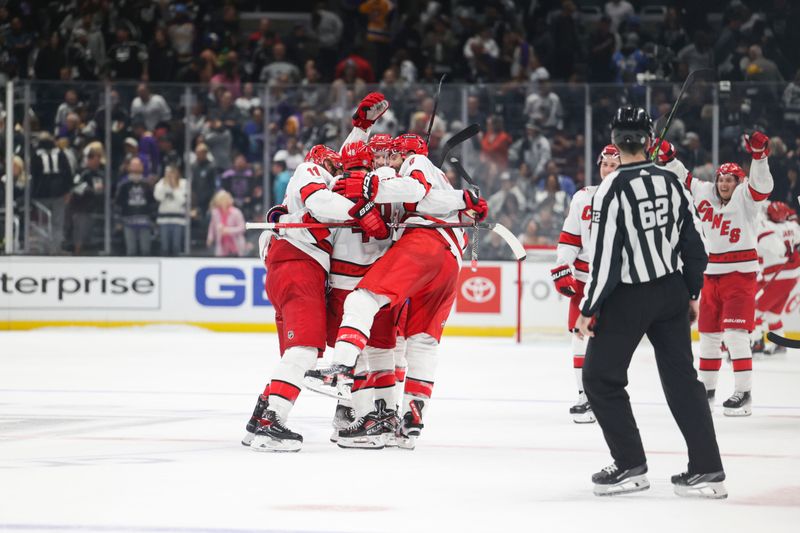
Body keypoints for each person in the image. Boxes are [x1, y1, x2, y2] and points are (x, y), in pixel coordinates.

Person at [575, 106, 725, 499]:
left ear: (615, 137)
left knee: (599, 378)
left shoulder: (611, 189)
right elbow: (696, 246)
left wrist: (588, 308)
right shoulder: (672, 182)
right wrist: (690, 292)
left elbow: (605, 258)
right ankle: (708, 469)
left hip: (629, 297)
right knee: (683, 383)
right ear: (649, 138)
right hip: (671, 290)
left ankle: (630, 464)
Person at [306, 132, 488, 450]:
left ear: (404, 154)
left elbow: (419, 192)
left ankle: (341, 372)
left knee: (362, 300)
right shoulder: (434, 178)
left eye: (392, 156)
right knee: (422, 343)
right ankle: (409, 423)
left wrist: (369, 186)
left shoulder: (413, 165)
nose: (386, 161)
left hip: (425, 243)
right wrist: (465, 200)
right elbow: (439, 200)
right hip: (448, 262)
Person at [659, 131, 773, 416]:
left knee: (735, 335)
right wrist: (666, 154)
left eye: (730, 180)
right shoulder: (704, 192)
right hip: (710, 275)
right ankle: (707, 390)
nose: (724, 183)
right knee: (708, 335)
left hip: (740, 276)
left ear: (739, 182)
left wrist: (759, 156)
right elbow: (682, 176)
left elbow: (762, 185)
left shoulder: (747, 199)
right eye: (721, 179)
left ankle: (743, 392)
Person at [551, 144, 619, 423]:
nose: (608, 170)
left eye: (614, 166)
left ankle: (607, 396)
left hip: (617, 282)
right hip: (584, 278)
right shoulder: (583, 197)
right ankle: (585, 395)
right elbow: (570, 239)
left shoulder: (632, 198)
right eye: (605, 165)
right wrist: (561, 267)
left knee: (612, 342)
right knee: (579, 339)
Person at [751, 202, 800, 355]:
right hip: (792, 275)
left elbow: (777, 249)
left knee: (754, 309)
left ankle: (757, 342)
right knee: (773, 314)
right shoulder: (793, 226)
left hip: (776, 275)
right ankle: (779, 344)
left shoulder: (767, 227)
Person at [116, 157, 156, 256]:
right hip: (128, 221)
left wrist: (153, 220)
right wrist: (118, 221)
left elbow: (152, 203)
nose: (135, 168)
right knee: (131, 251)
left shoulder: (147, 184)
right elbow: (118, 203)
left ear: (142, 167)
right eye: (133, 165)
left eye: (138, 165)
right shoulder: (124, 184)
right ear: (129, 167)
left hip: (144, 221)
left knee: (145, 250)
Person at [69, 143, 105, 254]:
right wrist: (91, 191)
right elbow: (76, 188)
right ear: (89, 159)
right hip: (82, 210)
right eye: (95, 158)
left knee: (91, 236)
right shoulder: (82, 172)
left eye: (99, 158)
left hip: (96, 209)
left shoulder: (102, 173)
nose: (98, 161)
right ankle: (77, 253)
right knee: (80, 234)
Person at [153, 165, 188, 256]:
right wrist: (166, 185)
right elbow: (158, 197)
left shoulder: (183, 183)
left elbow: (182, 201)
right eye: (167, 173)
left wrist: (174, 187)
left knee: (176, 246)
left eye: (171, 173)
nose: (169, 175)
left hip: (178, 220)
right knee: (164, 247)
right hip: (164, 219)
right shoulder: (161, 183)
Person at [206, 190, 246, 257]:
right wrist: (210, 237)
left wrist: (228, 230)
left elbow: (242, 228)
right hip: (222, 246)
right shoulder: (215, 213)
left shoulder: (236, 212)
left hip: (235, 245)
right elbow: (212, 226)